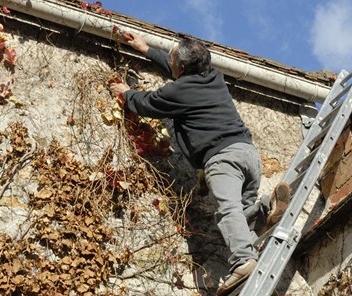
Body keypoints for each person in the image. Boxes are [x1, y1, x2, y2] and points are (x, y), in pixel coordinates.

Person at [109, 32, 290, 295]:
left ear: (181, 68)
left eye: (172, 59)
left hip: (222, 159)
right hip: (248, 154)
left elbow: (149, 102)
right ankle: (266, 209)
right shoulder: (213, 77)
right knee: (242, 212)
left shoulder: (179, 91)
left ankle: (244, 261)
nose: (170, 62)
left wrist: (127, 94)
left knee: (228, 211)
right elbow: (178, 77)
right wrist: (146, 49)